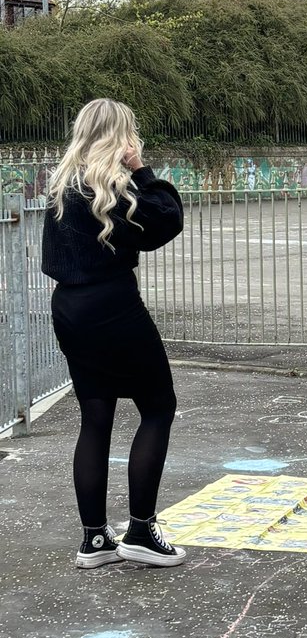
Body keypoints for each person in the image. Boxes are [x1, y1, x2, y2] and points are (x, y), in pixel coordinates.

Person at [41, 98, 187, 569]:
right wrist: (141, 169)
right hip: (112, 305)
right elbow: (167, 219)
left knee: (95, 415)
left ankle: (95, 540)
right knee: (158, 407)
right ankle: (142, 531)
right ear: (119, 137)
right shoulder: (110, 190)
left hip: (69, 306)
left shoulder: (63, 186)